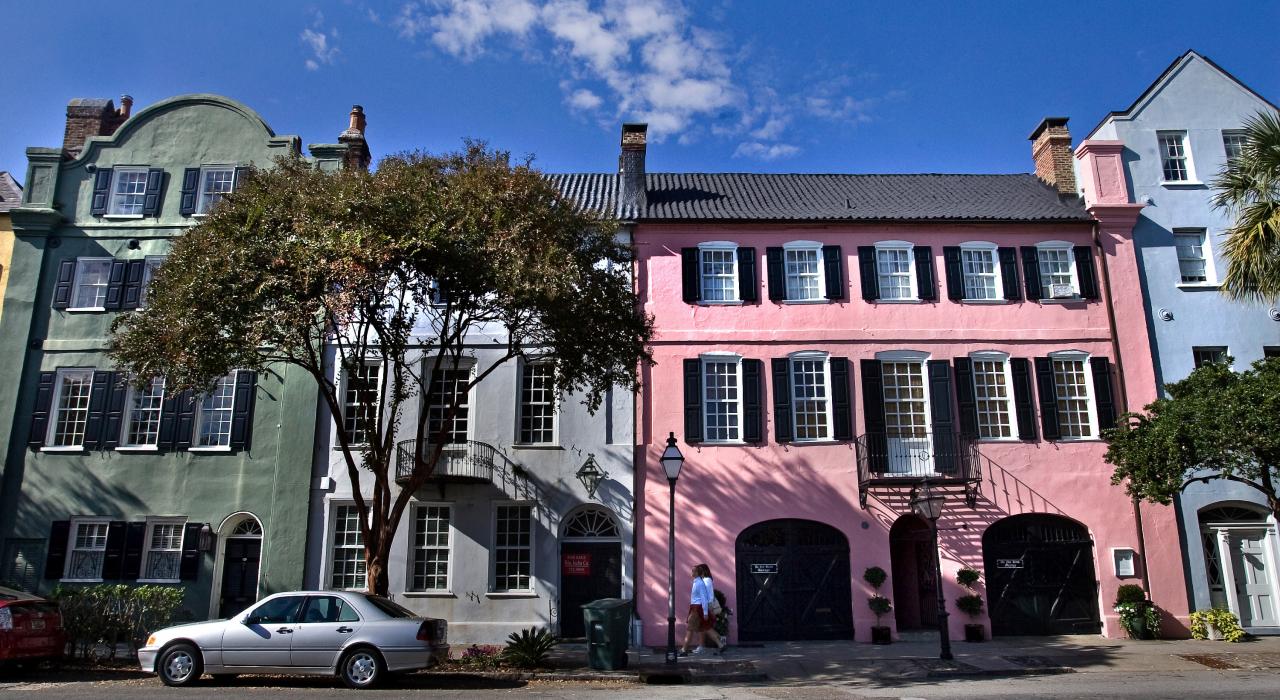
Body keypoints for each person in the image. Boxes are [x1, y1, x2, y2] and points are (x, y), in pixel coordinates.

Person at [679, 563, 723, 655]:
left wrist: (706, 612)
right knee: (705, 627)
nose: (691, 572)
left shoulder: (700, 583)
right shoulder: (697, 582)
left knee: (690, 628)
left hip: (697, 608)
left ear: (698, 573)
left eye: (693, 571)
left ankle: (684, 649)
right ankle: (721, 644)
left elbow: (704, 598)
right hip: (695, 607)